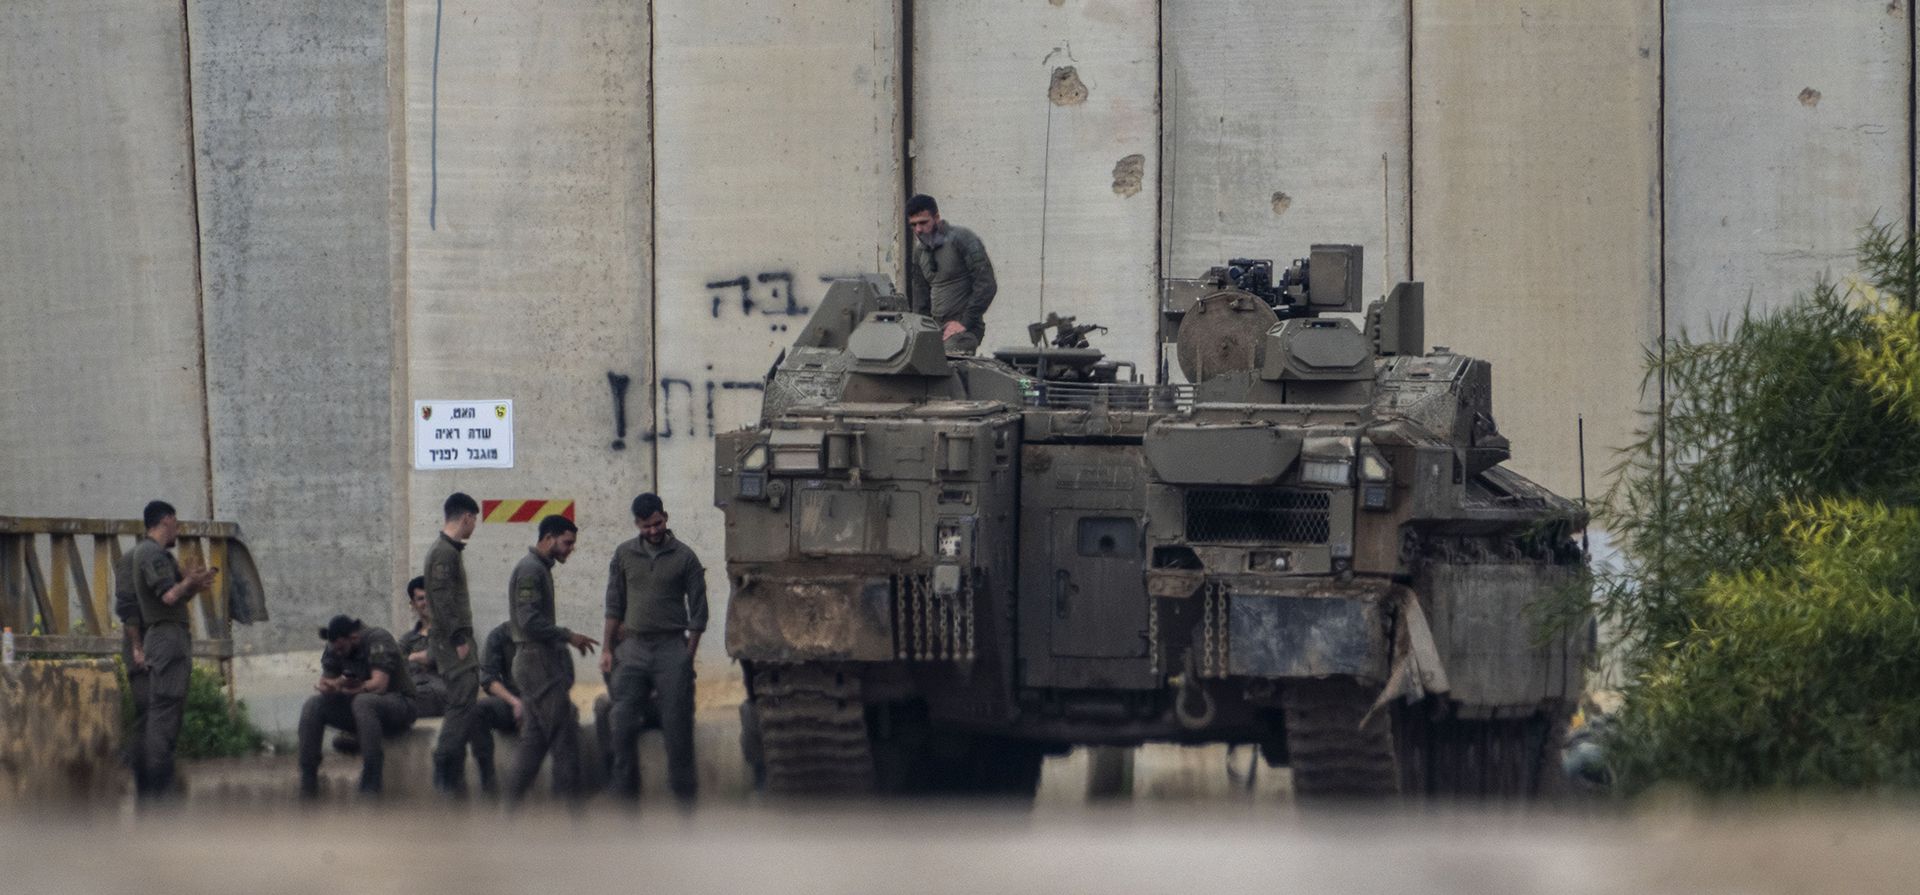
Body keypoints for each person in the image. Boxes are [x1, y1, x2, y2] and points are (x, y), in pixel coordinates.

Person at [603, 493, 708, 802]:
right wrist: (607, 649)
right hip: (632, 649)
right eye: (646, 526)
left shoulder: (686, 557)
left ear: (666, 516)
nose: (653, 531)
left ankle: (685, 802)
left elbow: (699, 613)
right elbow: (614, 604)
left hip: (671, 648)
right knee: (620, 721)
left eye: (658, 523)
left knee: (677, 727)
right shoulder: (623, 555)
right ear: (637, 524)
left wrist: (686, 658)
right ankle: (625, 798)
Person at [502, 515, 599, 808]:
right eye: (567, 542)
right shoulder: (531, 570)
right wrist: (568, 636)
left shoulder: (538, 568)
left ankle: (508, 811)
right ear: (548, 538)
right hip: (536, 662)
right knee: (565, 737)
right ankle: (571, 821)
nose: (570, 549)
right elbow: (529, 621)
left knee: (534, 741)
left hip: (537, 661)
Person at [129, 500, 217, 800]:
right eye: (176, 524)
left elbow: (177, 596)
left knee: (165, 712)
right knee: (163, 713)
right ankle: (158, 792)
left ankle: (155, 790)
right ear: (165, 521)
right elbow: (168, 596)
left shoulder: (156, 554)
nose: (177, 530)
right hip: (167, 638)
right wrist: (188, 583)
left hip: (167, 636)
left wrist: (193, 584)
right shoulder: (152, 553)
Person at [297, 615, 417, 797]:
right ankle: (308, 779)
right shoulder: (334, 647)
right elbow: (327, 680)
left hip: (398, 704)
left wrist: (351, 688)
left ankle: (372, 779)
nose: (338, 653)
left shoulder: (377, 640)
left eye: (341, 648)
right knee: (313, 705)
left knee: (364, 701)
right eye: (334, 649)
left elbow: (379, 684)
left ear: (353, 638)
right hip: (361, 709)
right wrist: (331, 686)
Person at [424, 491, 481, 795]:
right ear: (467, 517)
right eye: (474, 522)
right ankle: (445, 766)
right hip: (452, 642)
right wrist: (459, 638)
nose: (473, 528)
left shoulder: (448, 551)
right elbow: (444, 600)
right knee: (462, 699)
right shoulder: (444, 553)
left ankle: (453, 776)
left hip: (451, 640)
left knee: (466, 700)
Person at [905, 193, 997, 356]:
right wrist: (921, 332)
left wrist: (964, 322)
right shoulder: (920, 253)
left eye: (923, 222)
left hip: (964, 330)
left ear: (937, 218)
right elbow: (921, 300)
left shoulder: (962, 239)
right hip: (934, 330)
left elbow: (986, 284)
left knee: (947, 367)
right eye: (913, 225)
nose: (918, 229)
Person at [397, 575, 447, 718]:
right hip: (414, 691)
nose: (427, 602)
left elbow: (435, 657)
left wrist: (412, 657)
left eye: (430, 597)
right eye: (421, 598)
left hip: (442, 694)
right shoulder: (407, 639)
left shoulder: (451, 632)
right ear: (413, 604)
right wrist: (417, 659)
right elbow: (395, 663)